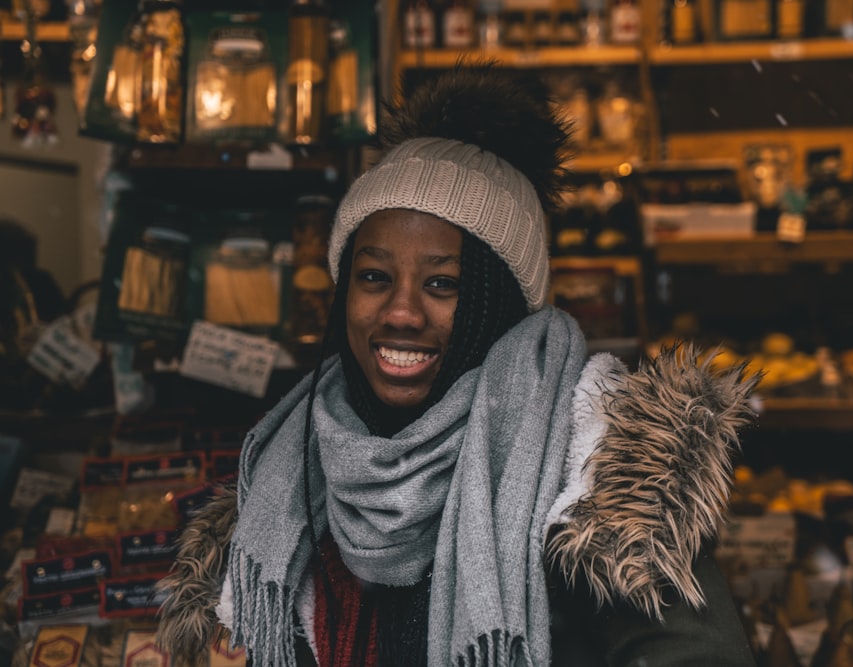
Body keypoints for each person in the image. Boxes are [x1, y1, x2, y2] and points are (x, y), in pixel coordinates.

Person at [157, 61, 760, 667]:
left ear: (498, 305)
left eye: (444, 284)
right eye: (373, 277)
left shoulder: (597, 476)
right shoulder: (287, 472)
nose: (400, 312)